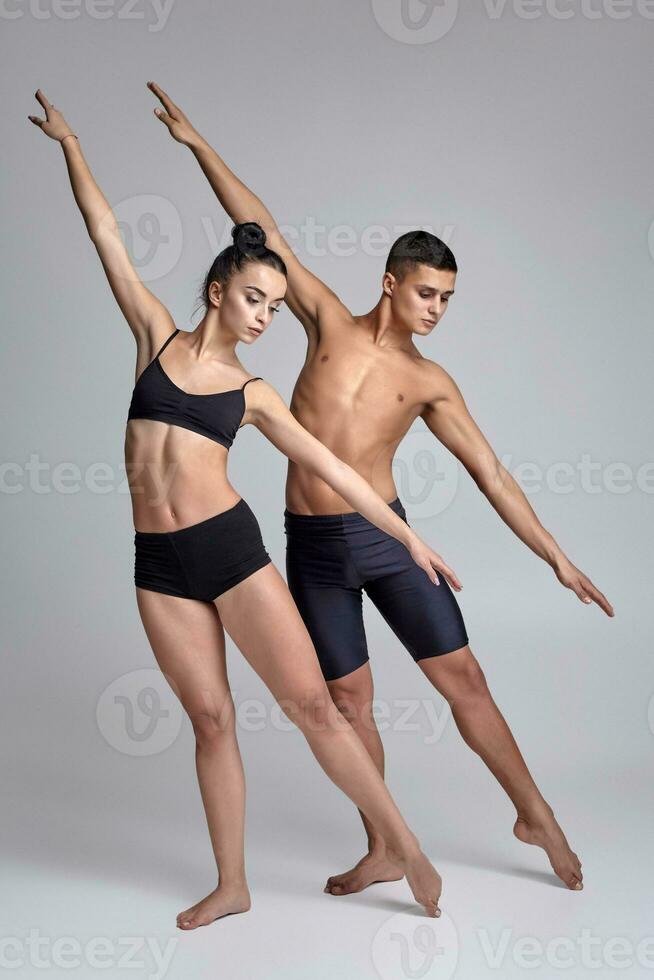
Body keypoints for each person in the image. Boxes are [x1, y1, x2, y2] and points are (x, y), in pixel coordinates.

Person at [146, 80, 616, 896]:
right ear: (393, 282)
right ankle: (385, 846)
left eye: (449, 298)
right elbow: (263, 229)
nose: (438, 309)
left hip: (384, 538)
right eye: (428, 292)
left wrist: (558, 560)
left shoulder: (429, 381)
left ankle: (535, 812)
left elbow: (492, 474)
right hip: (314, 550)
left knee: (464, 678)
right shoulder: (323, 318)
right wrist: (197, 146)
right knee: (348, 700)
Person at [28, 88, 465, 928]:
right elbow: (107, 237)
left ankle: (403, 842)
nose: (267, 315)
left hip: (231, 554)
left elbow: (336, 470)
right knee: (208, 720)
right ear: (219, 289)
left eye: (274, 303)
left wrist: (410, 538)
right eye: (255, 299)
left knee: (311, 710)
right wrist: (72, 146)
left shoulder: (254, 391)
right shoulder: (153, 336)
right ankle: (233, 884)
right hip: (157, 564)